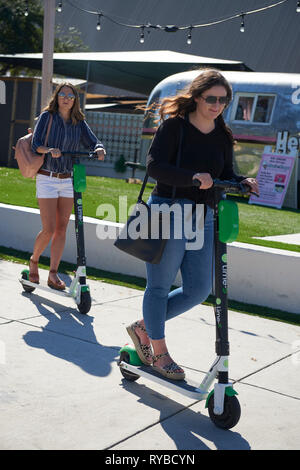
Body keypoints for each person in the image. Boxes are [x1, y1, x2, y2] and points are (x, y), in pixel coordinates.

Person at [126, 69, 259, 380]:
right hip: (168, 211)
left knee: (198, 289)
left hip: (204, 216)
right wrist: (192, 178)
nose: (217, 105)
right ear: (197, 97)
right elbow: (155, 166)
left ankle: (144, 327)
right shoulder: (174, 127)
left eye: (223, 100)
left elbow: (224, 172)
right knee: (159, 286)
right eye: (211, 98)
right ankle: (159, 354)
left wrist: (242, 181)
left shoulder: (222, 135)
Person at [28, 82, 105, 290]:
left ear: (75, 101)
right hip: (47, 177)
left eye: (70, 96)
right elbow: (36, 144)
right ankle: (34, 260)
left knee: (62, 229)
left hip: (67, 180)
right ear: (57, 97)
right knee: (49, 228)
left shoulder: (78, 122)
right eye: (62, 94)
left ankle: (53, 273)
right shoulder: (47, 117)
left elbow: (93, 141)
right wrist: (50, 149)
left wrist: (99, 149)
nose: (66, 99)